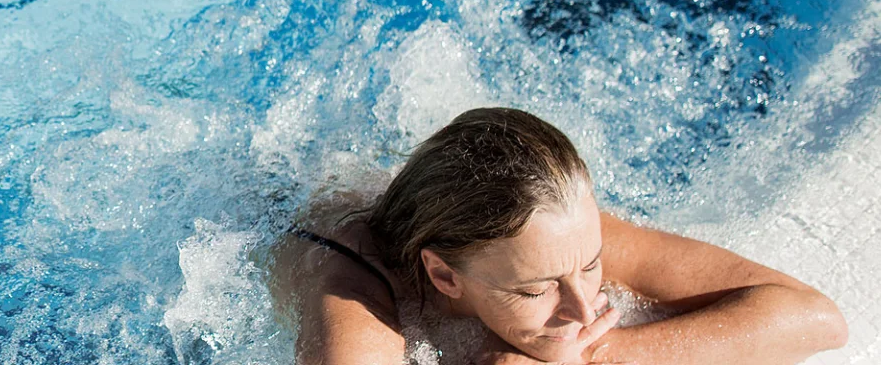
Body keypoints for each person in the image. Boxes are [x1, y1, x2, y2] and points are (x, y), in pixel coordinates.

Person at [269, 107, 846, 364]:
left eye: (591, 265)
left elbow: (814, 318)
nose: (582, 306)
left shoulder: (553, 236)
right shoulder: (356, 306)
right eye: (535, 291)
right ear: (443, 276)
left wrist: (603, 355)